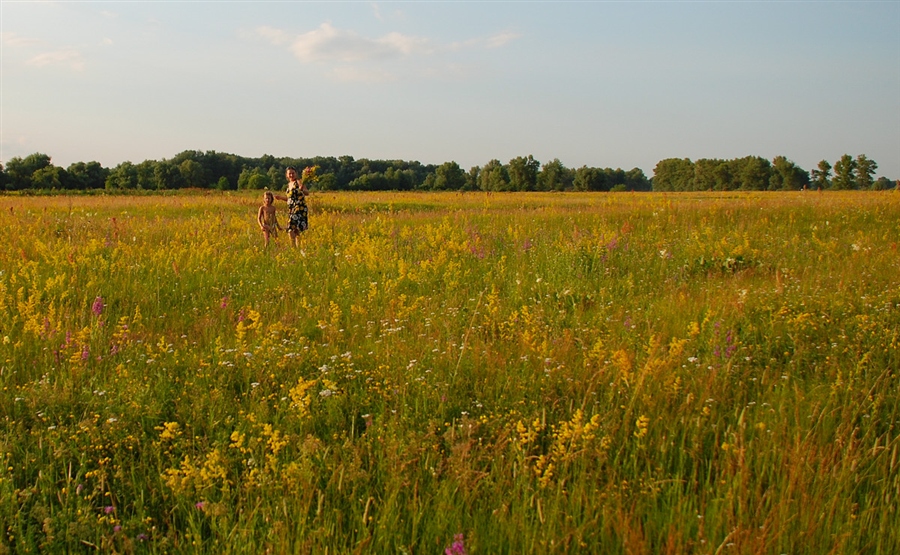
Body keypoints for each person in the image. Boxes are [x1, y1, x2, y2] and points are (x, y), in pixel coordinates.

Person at [274, 166, 309, 247]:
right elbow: (290, 199)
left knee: (291, 229)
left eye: (293, 173)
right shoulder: (288, 185)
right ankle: (296, 249)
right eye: (289, 173)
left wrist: (302, 189)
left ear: (296, 173)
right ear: (286, 175)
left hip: (300, 208)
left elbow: (307, 193)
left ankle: (293, 247)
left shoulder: (299, 182)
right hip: (292, 209)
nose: (291, 175)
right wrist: (280, 198)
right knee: (295, 230)